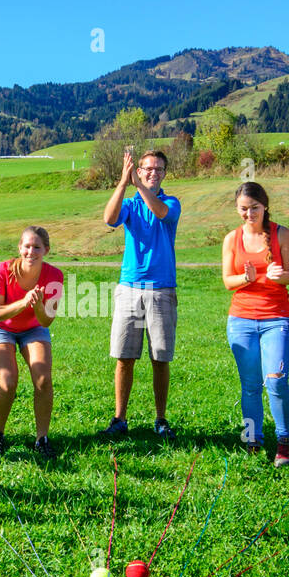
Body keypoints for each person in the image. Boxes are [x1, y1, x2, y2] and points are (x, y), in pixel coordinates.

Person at [100, 148, 181, 440]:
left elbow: (160, 213)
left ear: (164, 174)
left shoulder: (171, 203)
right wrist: (123, 182)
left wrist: (138, 185)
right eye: (147, 169)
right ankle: (120, 418)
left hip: (161, 290)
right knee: (124, 356)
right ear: (140, 170)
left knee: (160, 357)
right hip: (130, 288)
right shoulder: (131, 204)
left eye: (158, 169)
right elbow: (109, 219)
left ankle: (160, 419)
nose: (152, 174)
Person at [221, 182, 289, 466]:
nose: (249, 213)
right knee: (251, 385)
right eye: (243, 209)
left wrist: (280, 275)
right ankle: (252, 440)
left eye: (254, 208)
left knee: (275, 381)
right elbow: (227, 280)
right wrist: (246, 279)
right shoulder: (232, 238)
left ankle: (284, 441)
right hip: (240, 320)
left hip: (276, 318)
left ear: (265, 206)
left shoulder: (282, 234)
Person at [0, 226, 64, 458]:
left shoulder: (54, 276)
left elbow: (47, 321)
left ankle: (42, 438)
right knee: (7, 383)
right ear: (19, 248)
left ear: (46, 250)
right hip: (0, 329)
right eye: (27, 246)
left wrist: (37, 305)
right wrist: (23, 303)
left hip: (33, 329)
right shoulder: (2, 270)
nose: (31, 252)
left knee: (43, 379)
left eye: (37, 247)